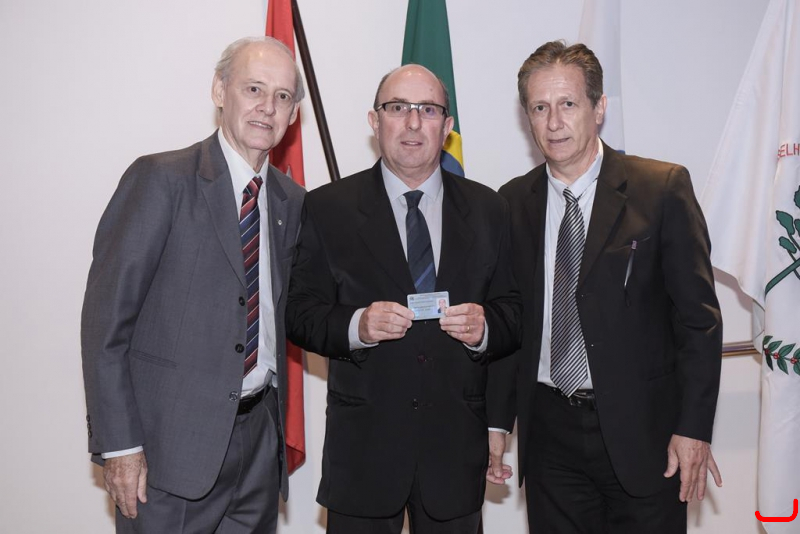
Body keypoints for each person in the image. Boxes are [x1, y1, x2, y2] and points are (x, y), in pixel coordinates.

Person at [486, 41, 724, 533]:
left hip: (645, 434)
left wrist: (693, 428)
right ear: (527, 117)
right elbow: (512, 321)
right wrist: (497, 422)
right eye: (540, 108)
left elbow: (698, 321)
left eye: (568, 104)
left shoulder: (660, 188)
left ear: (599, 108)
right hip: (550, 437)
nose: (554, 122)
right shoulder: (512, 202)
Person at [80, 36, 306, 533]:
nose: (268, 107)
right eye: (253, 88)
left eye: (283, 96)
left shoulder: (292, 202)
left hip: (258, 447)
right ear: (220, 91)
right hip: (166, 456)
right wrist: (120, 446)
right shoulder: (161, 179)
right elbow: (105, 326)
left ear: (293, 114)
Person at [286, 64, 521, 533]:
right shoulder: (328, 207)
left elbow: (514, 312)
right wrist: (357, 326)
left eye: (428, 110)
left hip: (456, 452)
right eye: (397, 108)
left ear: (447, 127)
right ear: (374, 121)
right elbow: (299, 313)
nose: (413, 123)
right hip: (363, 455)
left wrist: (486, 328)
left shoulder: (490, 208)